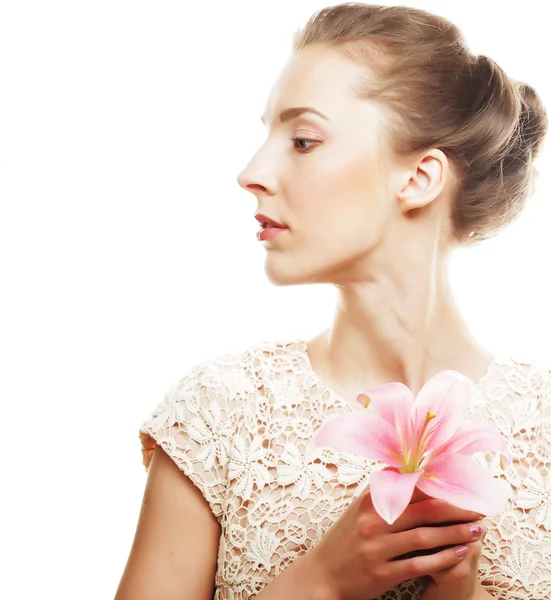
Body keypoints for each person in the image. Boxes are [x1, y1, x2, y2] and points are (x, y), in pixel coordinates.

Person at [114, 3, 549, 599]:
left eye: (303, 139)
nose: (251, 172)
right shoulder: (222, 414)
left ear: (419, 178)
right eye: (268, 135)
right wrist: (319, 582)